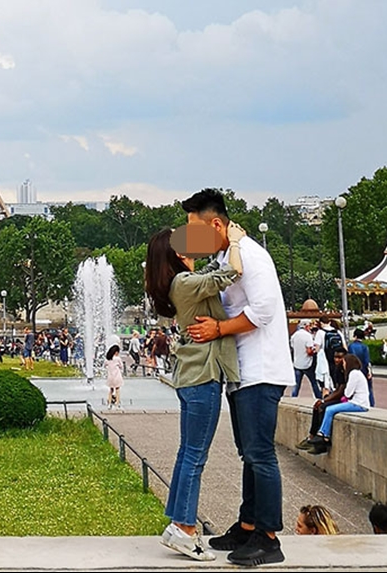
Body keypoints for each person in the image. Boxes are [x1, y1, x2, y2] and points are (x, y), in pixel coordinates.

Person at [184, 189, 293, 568]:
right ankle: (249, 526)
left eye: (194, 229)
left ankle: (269, 537)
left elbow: (262, 309)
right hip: (246, 370)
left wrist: (218, 329)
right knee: (250, 453)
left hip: (261, 369)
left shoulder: (250, 255)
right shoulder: (232, 256)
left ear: (216, 224)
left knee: (260, 453)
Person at [144, 221, 245, 563]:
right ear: (174, 254)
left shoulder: (179, 283)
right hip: (203, 375)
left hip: (192, 377)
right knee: (195, 456)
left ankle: (177, 523)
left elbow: (216, 274)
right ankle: (185, 529)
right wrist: (234, 240)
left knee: (187, 453)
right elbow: (229, 273)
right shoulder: (184, 282)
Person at [307, 354, 370, 453]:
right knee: (330, 409)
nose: (343, 365)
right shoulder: (357, 373)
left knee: (330, 409)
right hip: (358, 402)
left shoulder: (353, 374)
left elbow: (347, 393)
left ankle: (323, 434)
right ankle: (323, 434)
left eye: (344, 362)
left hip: (358, 404)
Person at [289, 321, 322, 400]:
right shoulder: (307, 336)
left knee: (296, 384)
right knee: (313, 382)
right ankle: (319, 398)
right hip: (307, 363)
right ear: (306, 326)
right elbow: (309, 351)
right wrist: (314, 351)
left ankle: (293, 398)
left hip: (297, 363)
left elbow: (292, 347)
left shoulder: (294, 335)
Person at [348, 328, 375, 406]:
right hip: (364, 369)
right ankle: (371, 403)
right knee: (368, 388)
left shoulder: (351, 346)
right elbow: (367, 360)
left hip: (354, 370)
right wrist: (369, 371)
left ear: (355, 336)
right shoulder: (365, 347)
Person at [105, 344, 124, 409]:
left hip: (110, 377)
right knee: (117, 390)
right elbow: (121, 366)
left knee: (111, 390)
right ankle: (117, 403)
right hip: (117, 376)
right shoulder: (117, 359)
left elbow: (105, 365)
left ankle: (109, 403)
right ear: (116, 352)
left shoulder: (108, 359)